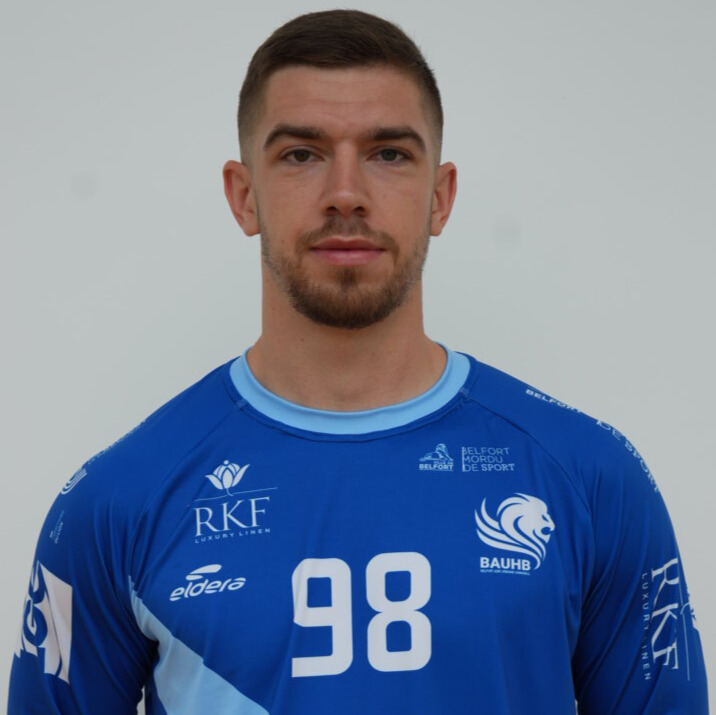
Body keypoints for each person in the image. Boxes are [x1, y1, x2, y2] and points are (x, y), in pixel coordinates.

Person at [8, 9, 708, 714]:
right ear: (244, 197)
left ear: (440, 198)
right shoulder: (116, 501)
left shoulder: (591, 478)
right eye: (301, 154)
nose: (346, 193)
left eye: (389, 154)